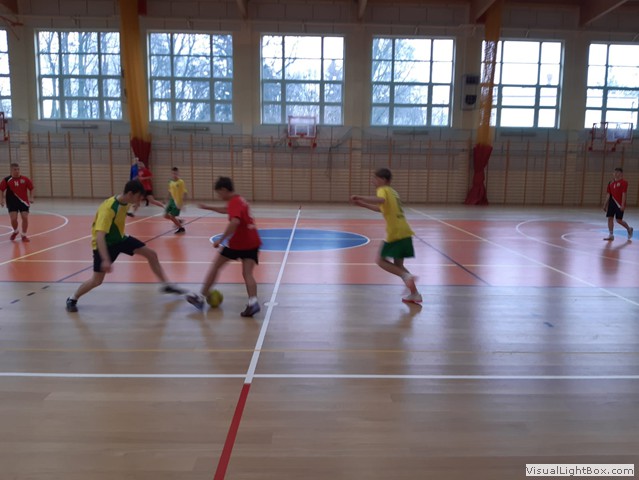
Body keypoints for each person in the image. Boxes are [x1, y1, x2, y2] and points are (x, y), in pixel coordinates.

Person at [65, 180, 185, 313]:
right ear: (130, 194)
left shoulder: (126, 201)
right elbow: (100, 237)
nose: (139, 201)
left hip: (120, 239)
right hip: (104, 244)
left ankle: (166, 285)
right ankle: (72, 298)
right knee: (97, 281)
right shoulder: (109, 209)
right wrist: (105, 259)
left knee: (151, 254)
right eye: (138, 197)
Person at [186, 176, 262, 317]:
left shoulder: (234, 202)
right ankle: (253, 302)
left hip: (239, 243)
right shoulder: (240, 200)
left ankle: (200, 298)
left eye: (219, 193)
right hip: (253, 241)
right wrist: (208, 207)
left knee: (216, 267)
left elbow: (235, 222)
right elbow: (227, 210)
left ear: (224, 189)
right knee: (247, 273)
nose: (219, 196)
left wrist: (221, 240)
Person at [350, 167, 422, 304]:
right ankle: (415, 294)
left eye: (375, 178)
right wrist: (362, 204)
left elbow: (380, 200)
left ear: (383, 180)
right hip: (405, 231)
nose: (373, 181)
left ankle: (407, 276)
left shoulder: (383, 190)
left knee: (380, 261)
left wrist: (360, 197)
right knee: (398, 266)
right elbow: (381, 208)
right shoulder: (393, 192)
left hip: (395, 232)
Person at [0, 163, 35, 242]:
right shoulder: (7, 180)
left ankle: (24, 235)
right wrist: (1, 200)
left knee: (25, 217)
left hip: (23, 202)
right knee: (13, 219)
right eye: (15, 170)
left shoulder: (25, 179)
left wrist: (31, 197)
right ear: (11, 170)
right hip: (11, 202)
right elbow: (1, 189)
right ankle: (15, 231)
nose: (17, 171)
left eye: (18, 169)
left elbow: (31, 188)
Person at [603, 167, 633, 241]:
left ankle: (629, 229)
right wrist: (605, 204)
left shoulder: (624, 183)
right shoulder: (610, 183)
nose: (616, 174)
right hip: (611, 203)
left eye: (617, 172)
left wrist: (623, 204)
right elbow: (608, 194)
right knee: (610, 218)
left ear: (621, 174)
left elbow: (624, 194)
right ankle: (611, 235)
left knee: (619, 220)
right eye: (615, 172)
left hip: (619, 204)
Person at [165, 167, 187, 234]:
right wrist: (166, 198)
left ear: (178, 173)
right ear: (171, 173)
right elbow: (170, 191)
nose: (174, 175)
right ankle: (178, 221)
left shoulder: (181, 182)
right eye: (173, 173)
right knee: (165, 215)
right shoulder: (170, 181)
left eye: (176, 173)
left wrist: (183, 203)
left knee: (172, 217)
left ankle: (181, 228)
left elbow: (185, 192)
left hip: (177, 202)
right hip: (171, 201)